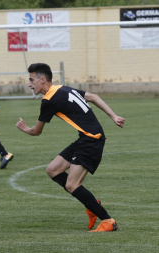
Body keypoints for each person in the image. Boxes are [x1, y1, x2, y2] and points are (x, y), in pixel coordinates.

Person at [16, 63, 125, 232]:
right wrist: (114, 116)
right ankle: (92, 205)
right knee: (53, 170)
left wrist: (25, 129)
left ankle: (108, 221)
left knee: (72, 185)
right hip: (86, 137)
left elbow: (37, 131)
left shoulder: (48, 100)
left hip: (91, 139)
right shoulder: (63, 88)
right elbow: (94, 96)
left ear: (42, 79)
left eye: (31, 80)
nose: (29, 84)